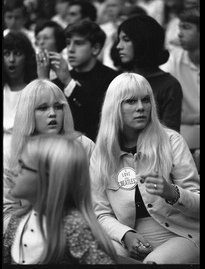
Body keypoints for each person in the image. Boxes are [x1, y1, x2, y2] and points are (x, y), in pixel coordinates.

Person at [90, 72, 200, 264]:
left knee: (154, 263)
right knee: (102, 259)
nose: (141, 107)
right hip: (128, 236)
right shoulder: (101, 154)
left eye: (146, 100)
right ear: (114, 106)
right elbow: (100, 214)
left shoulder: (171, 141)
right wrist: (126, 235)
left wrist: (172, 193)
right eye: (131, 101)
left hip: (179, 234)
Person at [3, 134, 117, 264]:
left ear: (48, 179)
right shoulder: (17, 220)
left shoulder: (73, 227)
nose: (13, 171)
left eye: (22, 166)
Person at [4, 79, 95, 213]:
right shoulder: (10, 153)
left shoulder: (84, 146)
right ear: (27, 112)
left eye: (58, 107)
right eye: (43, 108)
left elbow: (98, 202)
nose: (52, 113)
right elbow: (7, 209)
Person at [37, 20, 119, 141]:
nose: (70, 49)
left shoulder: (112, 79)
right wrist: (43, 79)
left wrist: (69, 82)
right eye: (68, 43)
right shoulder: (61, 79)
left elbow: (98, 118)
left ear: (95, 48)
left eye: (78, 43)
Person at [116, 14, 183, 132]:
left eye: (126, 40)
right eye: (119, 40)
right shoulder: (121, 80)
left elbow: (171, 136)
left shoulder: (169, 85)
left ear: (142, 41)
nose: (119, 46)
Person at [160, 6, 200, 169]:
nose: (179, 34)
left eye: (187, 27)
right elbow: (161, 103)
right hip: (183, 135)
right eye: (179, 27)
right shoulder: (173, 59)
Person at [3, 31, 37, 170]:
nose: (11, 59)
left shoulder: (33, 90)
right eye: (6, 54)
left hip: (27, 157)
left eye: (17, 54)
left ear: (27, 58)